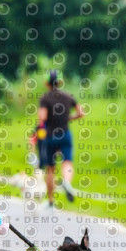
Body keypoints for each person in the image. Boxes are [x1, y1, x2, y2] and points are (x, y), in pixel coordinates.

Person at [36, 69, 84, 205]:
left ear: (47, 83)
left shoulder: (45, 98)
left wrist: (39, 131)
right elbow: (81, 112)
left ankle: (51, 201)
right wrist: (69, 117)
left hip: (50, 136)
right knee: (67, 162)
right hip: (65, 134)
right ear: (60, 82)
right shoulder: (68, 96)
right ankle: (67, 182)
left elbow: (42, 118)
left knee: (50, 168)